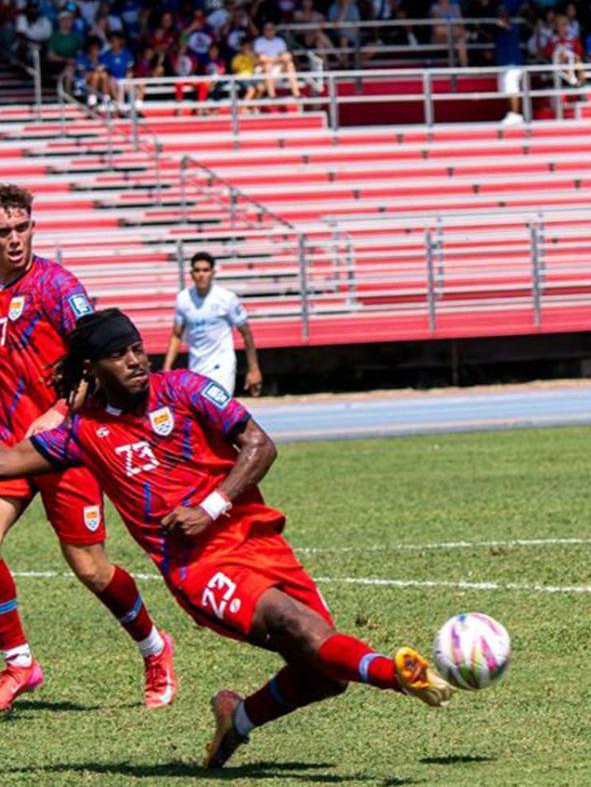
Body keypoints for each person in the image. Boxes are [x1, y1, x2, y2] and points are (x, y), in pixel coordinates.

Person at [1, 309, 452, 767]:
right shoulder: (84, 433)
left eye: (137, 347)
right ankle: (396, 674)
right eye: (118, 355)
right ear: (91, 369)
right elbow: (7, 462)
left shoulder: (185, 389)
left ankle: (237, 717)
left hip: (258, 540)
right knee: (295, 624)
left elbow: (260, 444)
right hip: (198, 567)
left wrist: (209, 507)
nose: (136, 360)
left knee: (325, 674)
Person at [0, 185, 175, 712]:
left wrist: (57, 414)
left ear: (34, 226)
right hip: (10, 448)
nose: (14, 240)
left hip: (65, 446)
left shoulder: (58, 286)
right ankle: (19, 663)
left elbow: (94, 365)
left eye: (21, 228)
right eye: (3, 231)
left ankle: (154, 647)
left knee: (90, 569)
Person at [163, 253, 262, 397]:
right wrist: (166, 369)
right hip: (196, 367)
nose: (201, 274)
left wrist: (253, 369)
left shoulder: (226, 298)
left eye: (205, 270)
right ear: (191, 274)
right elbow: (177, 335)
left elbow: (246, 333)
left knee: (217, 411)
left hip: (222, 366)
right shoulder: (183, 299)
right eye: (197, 270)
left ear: (213, 272)